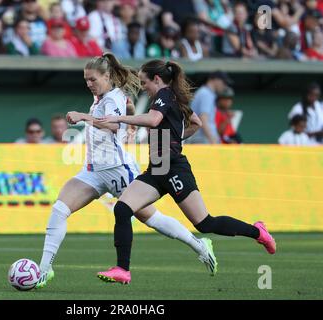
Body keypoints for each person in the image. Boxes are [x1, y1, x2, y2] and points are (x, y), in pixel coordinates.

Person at [36, 53, 217, 288]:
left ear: (106, 76)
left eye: (93, 79)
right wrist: (130, 120)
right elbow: (128, 107)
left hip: (118, 170)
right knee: (59, 210)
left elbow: (111, 124)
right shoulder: (106, 97)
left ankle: (200, 246)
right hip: (93, 170)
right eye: (86, 79)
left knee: (151, 218)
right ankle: (44, 269)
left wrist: (83, 117)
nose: (89, 84)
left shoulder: (111, 99)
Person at [97, 59, 275, 283]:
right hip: (158, 167)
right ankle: (123, 270)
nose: (143, 87)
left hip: (173, 169)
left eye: (144, 83)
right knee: (122, 209)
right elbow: (196, 122)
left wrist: (119, 118)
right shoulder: (171, 99)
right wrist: (174, 136)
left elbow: (154, 120)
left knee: (205, 223)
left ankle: (258, 231)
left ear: (157, 79)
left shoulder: (164, 95)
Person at [186, 71, 232, 144]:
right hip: (202, 139)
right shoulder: (205, 94)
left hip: (203, 138)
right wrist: (213, 140)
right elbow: (203, 120)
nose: (224, 86)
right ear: (216, 80)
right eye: (224, 83)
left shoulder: (207, 93)